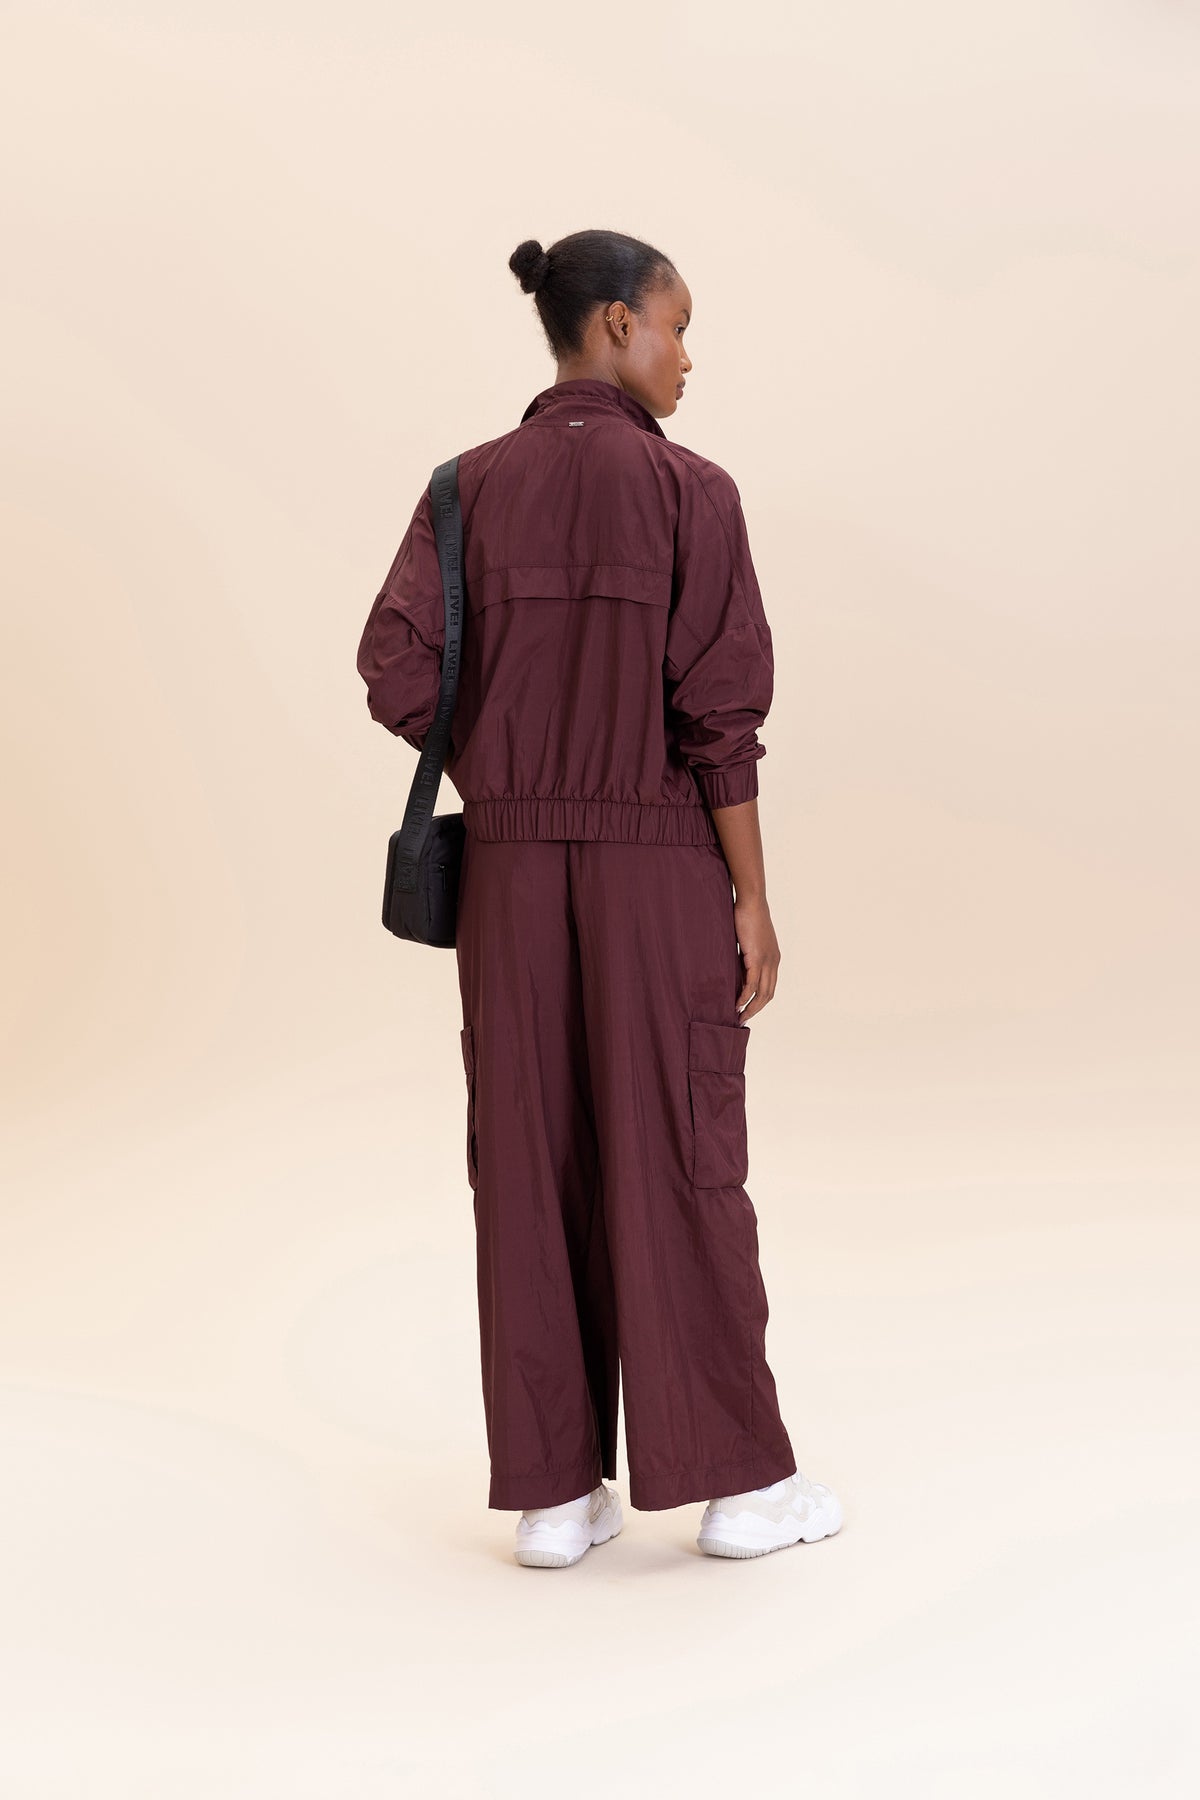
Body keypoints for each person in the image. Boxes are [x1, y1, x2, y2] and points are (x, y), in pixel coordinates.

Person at [357, 228, 843, 1566]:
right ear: (619, 322)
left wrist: (505, 764)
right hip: (656, 872)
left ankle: (555, 1499)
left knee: (529, 1162)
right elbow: (720, 717)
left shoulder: (463, 489)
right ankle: (738, 1489)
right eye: (679, 327)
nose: (688, 358)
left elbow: (395, 663)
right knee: (682, 1157)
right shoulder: (692, 492)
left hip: (510, 880)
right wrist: (753, 897)